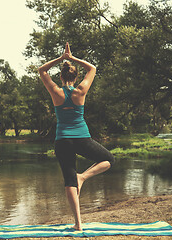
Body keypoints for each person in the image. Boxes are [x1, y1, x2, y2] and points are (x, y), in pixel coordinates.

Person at [38, 42, 115, 231]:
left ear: (61, 76)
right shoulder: (81, 91)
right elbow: (92, 68)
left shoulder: (55, 92)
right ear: (75, 76)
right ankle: (84, 177)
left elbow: (41, 70)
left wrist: (60, 58)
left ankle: (78, 224)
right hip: (82, 138)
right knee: (109, 159)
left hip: (62, 140)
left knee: (69, 180)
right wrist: (71, 58)